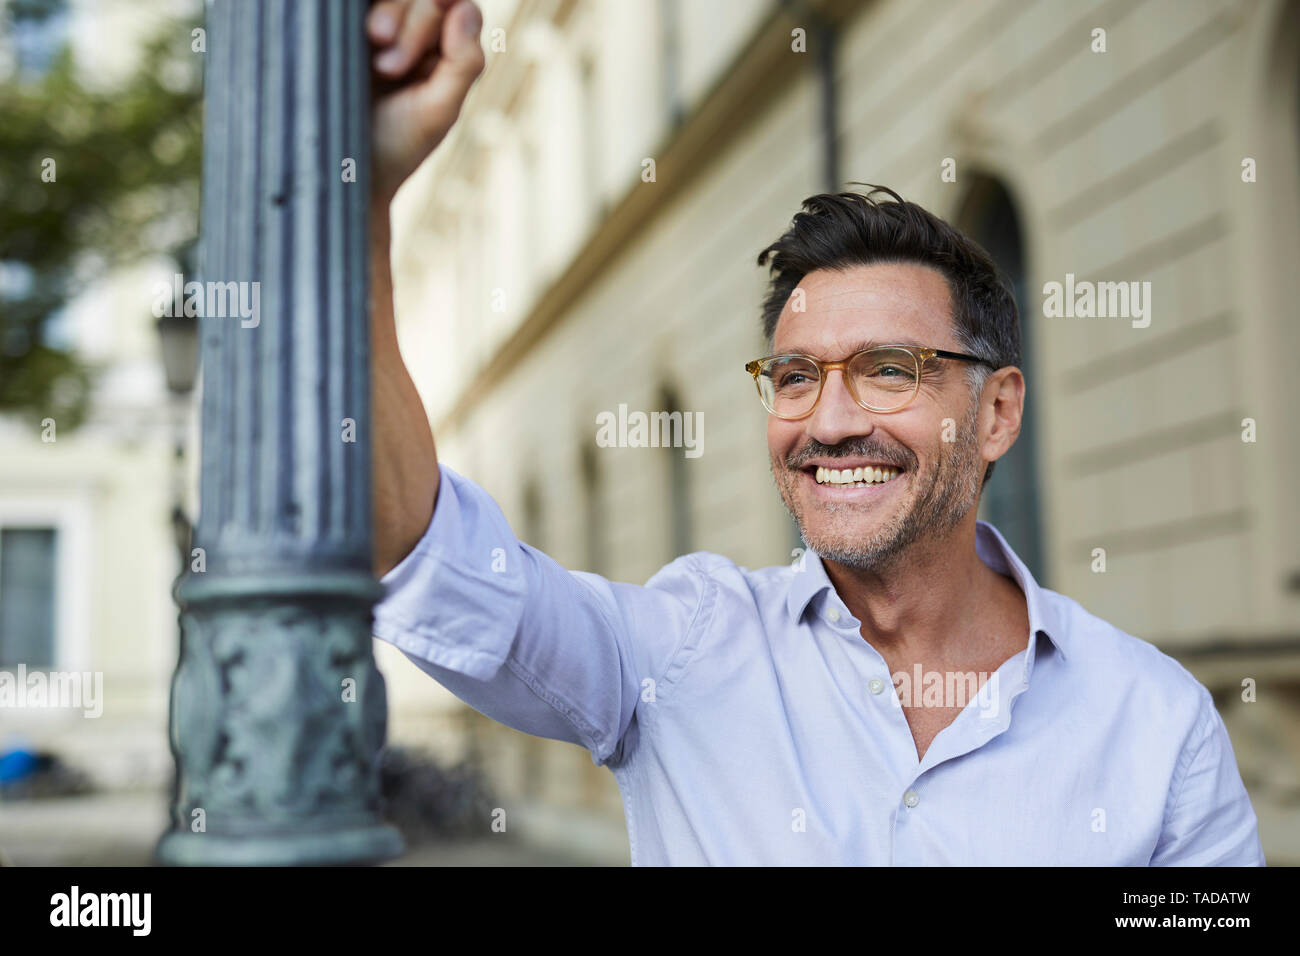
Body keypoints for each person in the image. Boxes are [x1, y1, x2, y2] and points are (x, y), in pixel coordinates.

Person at [365, 0, 1266, 865]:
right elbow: (424, 551)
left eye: (888, 369)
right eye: (796, 378)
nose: (830, 423)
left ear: (996, 413)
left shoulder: (1157, 727)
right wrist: (365, 203)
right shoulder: (681, 653)